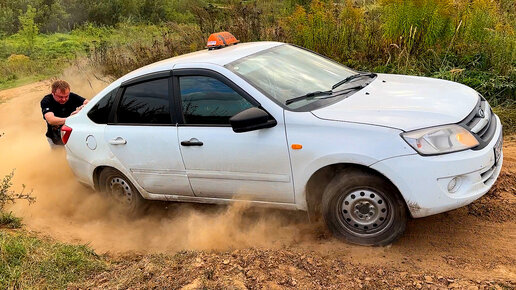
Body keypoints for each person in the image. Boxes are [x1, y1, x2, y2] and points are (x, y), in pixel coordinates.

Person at [40, 80, 88, 148]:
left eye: (66, 96)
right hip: (56, 139)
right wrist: (72, 119)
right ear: (53, 93)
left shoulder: (72, 96)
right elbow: (51, 120)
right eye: (60, 97)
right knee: (59, 157)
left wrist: (82, 108)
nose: (64, 99)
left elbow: (89, 103)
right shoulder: (47, 101)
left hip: (72, 136)